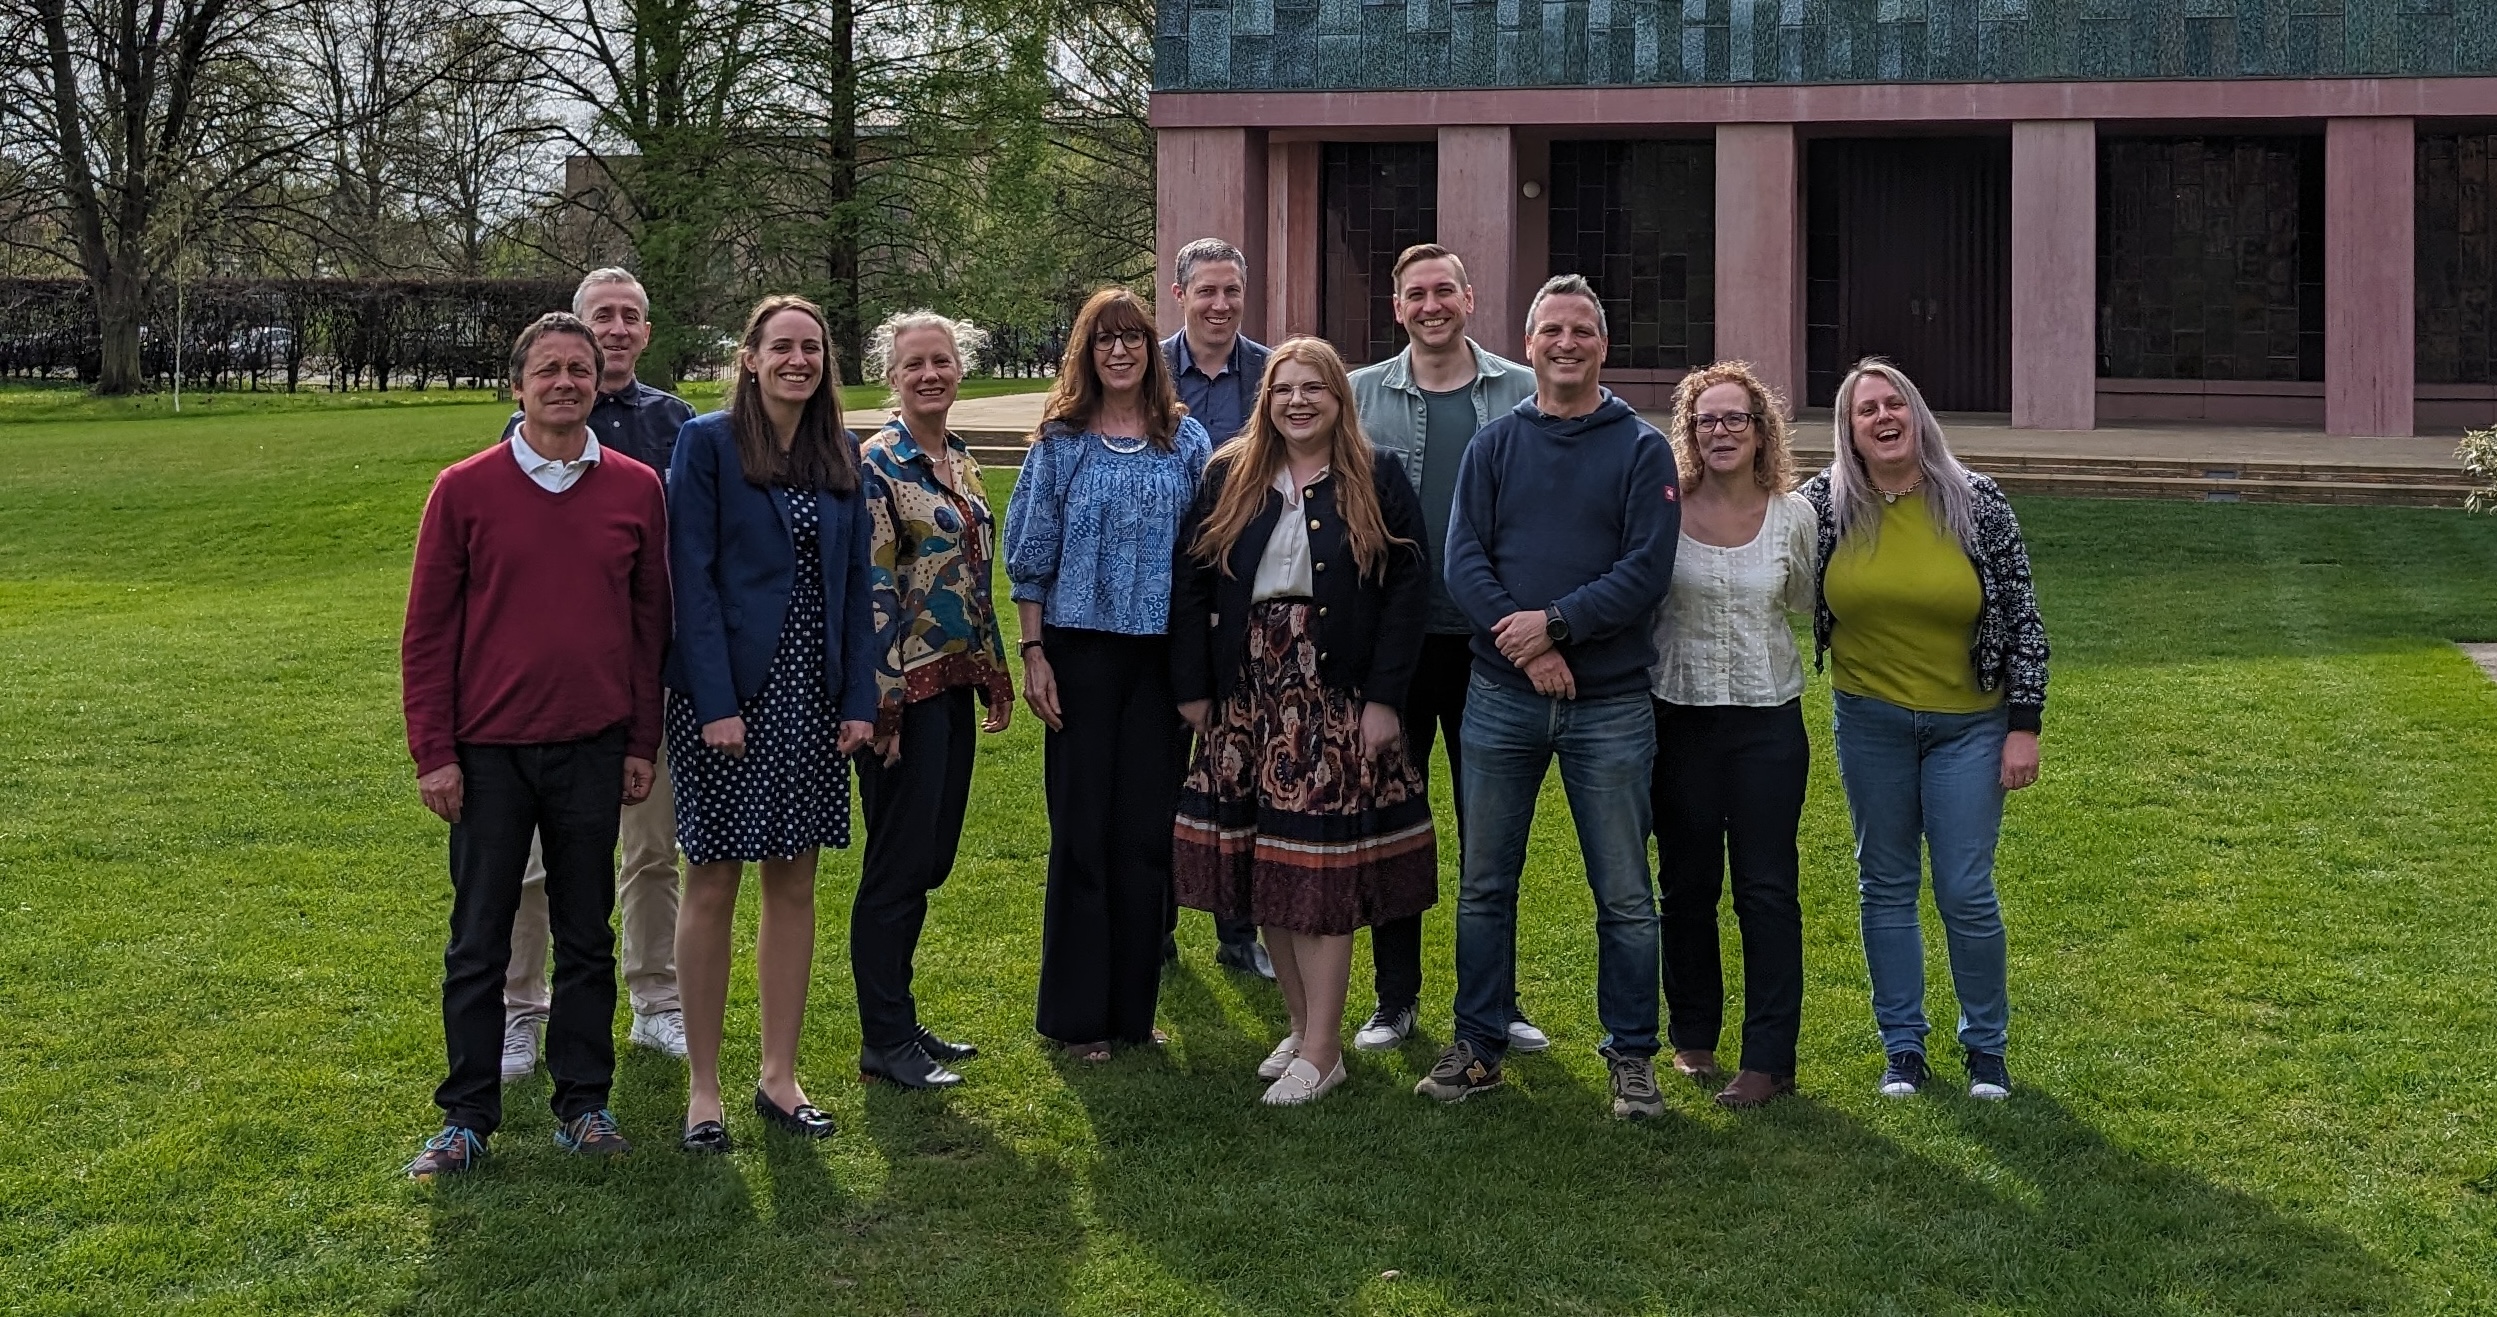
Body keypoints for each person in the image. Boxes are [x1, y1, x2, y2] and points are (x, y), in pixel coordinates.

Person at [399, 312, 669, 1178]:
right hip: (487, 753)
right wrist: (432, 750)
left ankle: (584, 1102)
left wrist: (639, 738)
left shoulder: (634, 489)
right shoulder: (464, 488)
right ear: (516, 387)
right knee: (479, 937)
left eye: (579, 369)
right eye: (547, 369)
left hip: (592, 747)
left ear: (599, 382)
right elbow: (428, 631)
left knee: (587, 931)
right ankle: (467, 1115)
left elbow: (646, 625)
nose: (564, 382)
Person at [1415, 274, 1680, 1120]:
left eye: (1581, 331)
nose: (1565, 343)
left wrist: (1557, 626)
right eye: (1549, 331)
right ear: (1525, 345)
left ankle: (1631, 1054)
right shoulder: (1496, 445)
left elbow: (1644, 569)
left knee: (1625, 894)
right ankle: (1478, 1042)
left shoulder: (1640, 449)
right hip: (1499, 700)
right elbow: (1463, 562)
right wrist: (1528, 651)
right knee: (1485, 883)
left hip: (1610, 707)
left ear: (1603, 345)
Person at [1169, 337, 1437, 1105]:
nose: (1296, 401)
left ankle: (1324, 1049)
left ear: (1337, 398)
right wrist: (1193, 688)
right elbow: (1189, 580)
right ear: (1266, 398)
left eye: (1312, 388)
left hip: (1331, 696)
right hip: (1245, 696)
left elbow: (1409, 590)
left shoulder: (1373, 474)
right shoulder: (1230, 472)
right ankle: (1299, 1023)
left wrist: (1384, 697)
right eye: (1283, 388)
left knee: (1317, 874)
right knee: (1265, 869)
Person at [1801, 357, 2048, 1103]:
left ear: (1915, 413)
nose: (1881, 417)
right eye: (1863, 409)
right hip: (1867, 719)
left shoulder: (1976, 501)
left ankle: (1986, 1049)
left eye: (1892, 403)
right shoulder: (1823, 505)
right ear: (1847, 430)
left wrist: (2022, 725)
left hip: (1969, 725)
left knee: (1965, 888)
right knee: (1883, 883)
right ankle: (1902, 1047)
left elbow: (2024, 619)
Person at [664, 295, 878, 1153]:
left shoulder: (840, 453)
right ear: (749, 357)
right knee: (711, 880)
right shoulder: (708, 445)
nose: (798, 360)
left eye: (811, 348)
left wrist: (858, 699)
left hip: (813, 700)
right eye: (781, 346)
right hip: (728, 702)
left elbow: (854, 588)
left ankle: (779, 1075)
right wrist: (716, 704)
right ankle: (704, 1087)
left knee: (794, 881)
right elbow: (692, 579)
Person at [1347, 242, 1546, 1054]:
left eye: (1444, 291)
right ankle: (1393, 1000)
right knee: (1392, 827)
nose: (1430, 305)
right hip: (1391, 651)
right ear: (1397, 308)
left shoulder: (1522, 393)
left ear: (1469, 298)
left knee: (1489, 837)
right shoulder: (1356, 395)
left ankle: (1495, 1000)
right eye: (1415, 295)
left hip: (1491, 647)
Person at [502, 268, 698, 1082]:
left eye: (629, 317)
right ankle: (521, 1006)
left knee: (652, 849)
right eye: (600, 317)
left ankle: (657, 999)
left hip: (644, 675)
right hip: (546, 681)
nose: (615, 329)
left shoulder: (677, 424)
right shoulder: (530, 429)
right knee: (532, 861)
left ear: (645, 332)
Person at [1007, 286, 1214, 1061]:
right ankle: (1076, 1015)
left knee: (1144, 835)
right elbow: (1029, 557)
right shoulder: (1059, 441)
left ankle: (1133, 1010)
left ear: (1149, 350)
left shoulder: (1183, 441)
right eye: (1105, 340)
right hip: (1078, 654)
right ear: (1086, 353)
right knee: (1082, 831)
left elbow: (1203, 561)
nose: (1120, 351)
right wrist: (1033, 654)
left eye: (1132, 338)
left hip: (1160, 661)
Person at [852, 310, 1015, 1089]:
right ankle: (883, 1038)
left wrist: (994, 667)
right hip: (901, 700)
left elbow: (977, 577)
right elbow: (874, 590)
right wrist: (881, 706)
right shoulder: (877, 464)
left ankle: (899, 1012)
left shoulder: (959, 458)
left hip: (952, 684)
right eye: (914, 364)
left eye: (942, 361)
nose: (930, 374)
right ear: (893, 375)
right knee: (896, 864)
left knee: (929, 859)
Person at [1647, 361, 1816, 1109]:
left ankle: (1768, 1057)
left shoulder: (1794, 517)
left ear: (1759, 432)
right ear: (1688, 433)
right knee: (1685, 887)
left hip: (1765, 724)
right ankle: (1692, 1035)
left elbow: (1808, 601)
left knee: (1766, 890)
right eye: (1704, 420)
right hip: (1675, 717)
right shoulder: (1661, 510)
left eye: (1733, 419)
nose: (1719, 431)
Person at [1159, 236, 1275, 979]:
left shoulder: (1270, 375)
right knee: (1158, 773)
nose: (1220, 304)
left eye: (1231, 290)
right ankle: (1154, 926)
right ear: (1179, 295)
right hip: (1158, 601)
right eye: (1206, 290)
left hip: (1250, 601)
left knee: (1245, 774)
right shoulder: (1142, 369)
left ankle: (1240, 931)